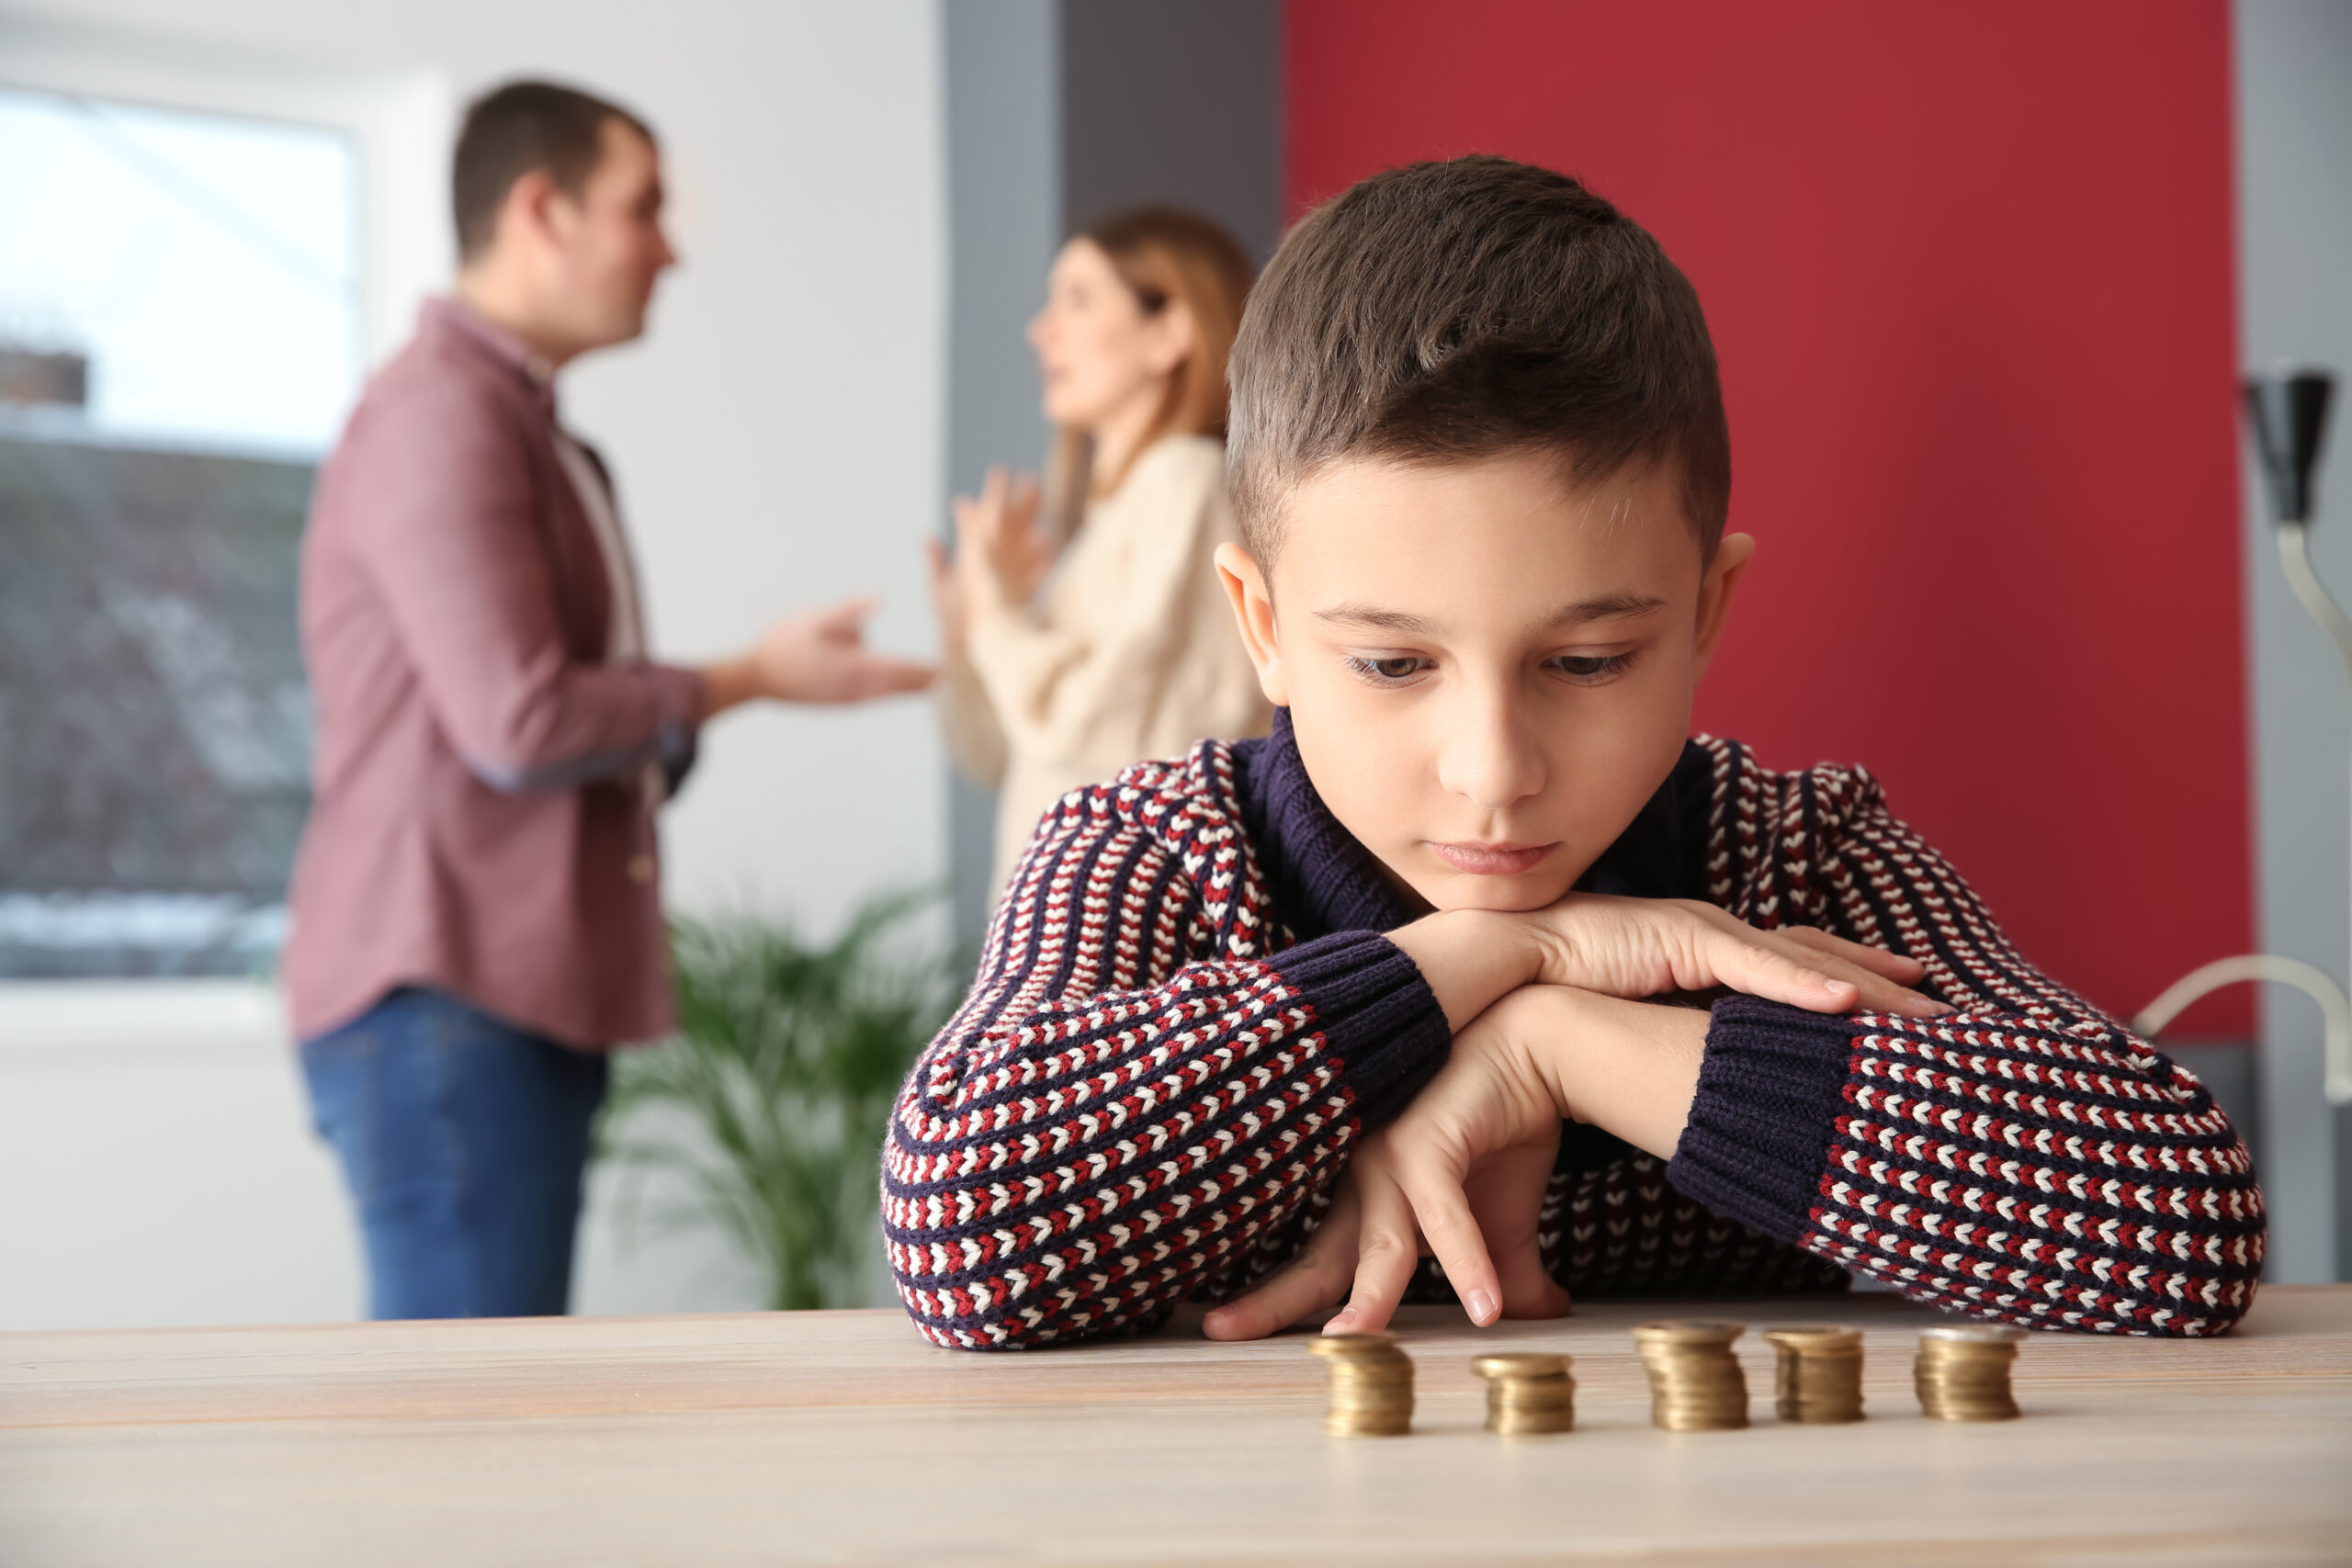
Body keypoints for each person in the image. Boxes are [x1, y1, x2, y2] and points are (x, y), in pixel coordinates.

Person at [882, 156, 2264, 1350]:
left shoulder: (1797, 849)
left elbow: (2180, 1214)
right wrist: (1492, 956)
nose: (1495, 769)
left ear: (1706, 608)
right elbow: (961, 1225)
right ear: (1264, 626)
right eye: (1392, 663)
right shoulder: (1153, 852)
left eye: (1587, 662)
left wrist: (1565, 1043)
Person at [287, 81, 931, 1320]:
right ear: (543, 209)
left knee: (487, 1418)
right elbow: (519, 724)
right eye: (644, 208)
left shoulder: (518, 424)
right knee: (471, 1432)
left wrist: (708, 704)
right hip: (444, 989)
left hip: (478, 989)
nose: (669, 248)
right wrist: (751, 676)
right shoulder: (445, 415)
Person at [930, 206, 1272, 892]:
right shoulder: (1116, 515)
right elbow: (1005, 757)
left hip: (1125, 932)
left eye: (1078, 300)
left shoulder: (1187, 481)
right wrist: (972, 628)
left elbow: (1106, 735)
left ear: (1170, 331)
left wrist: (997, 616)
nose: (1041, 330)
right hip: (1073, 930)